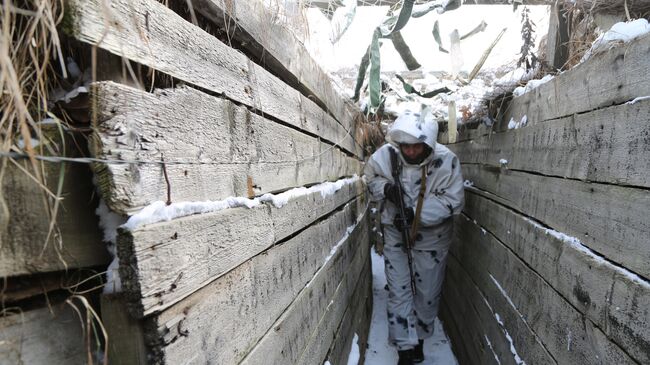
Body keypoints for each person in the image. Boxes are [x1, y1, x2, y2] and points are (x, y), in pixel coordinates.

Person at [364, 111, 465, 365]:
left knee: (426, 292)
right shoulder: (386, 156)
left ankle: (418, 338)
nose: (410, 152)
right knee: (398, 290)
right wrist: (386, 189)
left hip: (432, 239)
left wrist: (416, 213)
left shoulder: (446, 161)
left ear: (428, 144)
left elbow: (453, 201)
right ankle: (405, 349)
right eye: (405, 146)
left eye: (416, 146)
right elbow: (371, 178)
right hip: (396, 235)